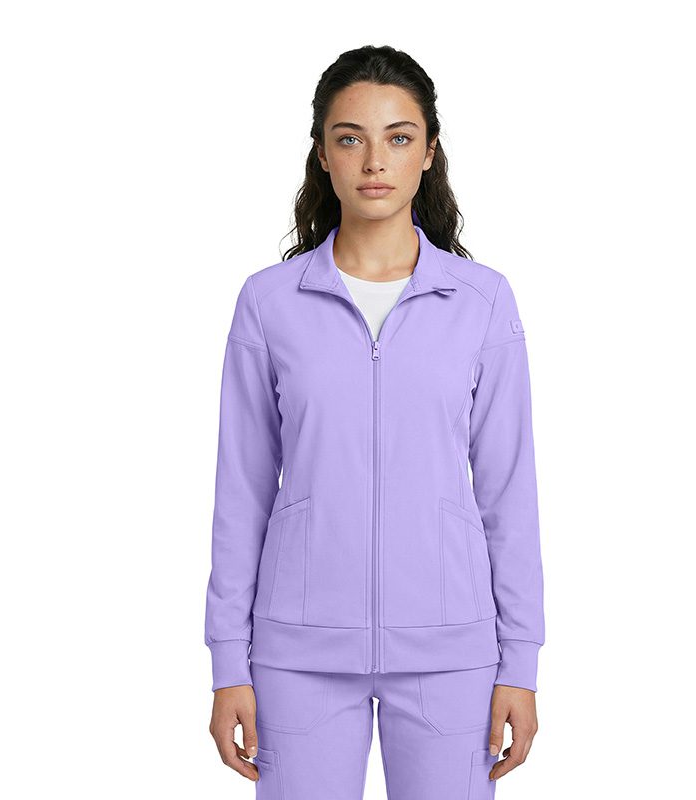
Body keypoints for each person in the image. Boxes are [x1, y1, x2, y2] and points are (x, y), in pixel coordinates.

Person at [205, 44, 545, 799]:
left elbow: (508, 494)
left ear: (429, 153)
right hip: (297, 652)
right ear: (322, 154)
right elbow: (241, 494)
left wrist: (519, 662)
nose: (373, 161)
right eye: (350, 137)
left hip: (451, 651)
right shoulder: (269, 302)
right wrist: (229, 661)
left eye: (398, 137)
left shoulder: (482, 301)